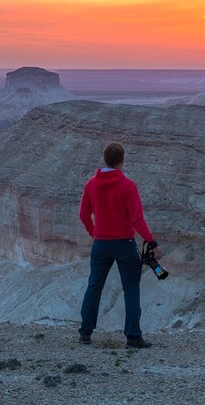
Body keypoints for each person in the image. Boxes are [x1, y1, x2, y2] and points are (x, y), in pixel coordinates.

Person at [78, 142, 161, 348]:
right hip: (124, 243)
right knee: (131, 289)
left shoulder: (91, 184)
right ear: (122, 161)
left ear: (105, 159)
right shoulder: (128, 186)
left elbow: (83, 214)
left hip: (100, 244)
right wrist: (152, 243)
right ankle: (133, 337)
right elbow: (137, 219)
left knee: (94, 287)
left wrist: (94, 232)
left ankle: (85, 334)